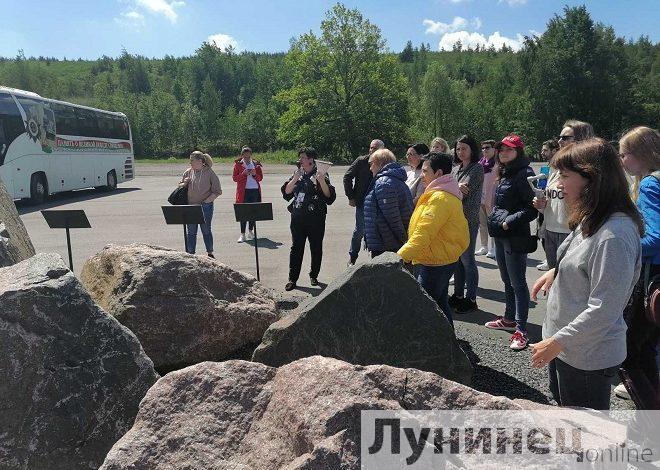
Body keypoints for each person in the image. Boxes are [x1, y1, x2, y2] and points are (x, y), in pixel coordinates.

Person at [530, 138, 644, 410]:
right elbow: (583, 255)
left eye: (565, 176)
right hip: (570, 349)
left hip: (586, 357)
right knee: (568, 420)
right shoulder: (596, 216)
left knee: (586, 436)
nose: (558, 184)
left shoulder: (614, 236)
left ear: (592, 179)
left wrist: (557, 342)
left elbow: (604, 309)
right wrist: (557, 271)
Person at [398, 152, 469, 326]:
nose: (421, 175)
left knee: (423, 307)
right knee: (440, 302)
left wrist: (400, 256)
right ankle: (450, 344)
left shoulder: (440, 198)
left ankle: (435, 347)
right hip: (438, 257)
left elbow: (424, 233)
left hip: (434, 262)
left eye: (425, 171)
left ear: (438, 173)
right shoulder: (440, 193)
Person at [616, 126, 660, 408]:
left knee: (629, 353)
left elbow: (655, 238)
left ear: (640, 154)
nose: (621, 161)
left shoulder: (649, 184)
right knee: (647, 349)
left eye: (624, 154)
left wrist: (621, 248)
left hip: (652, 277)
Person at [484, 134, 537, 350]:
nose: (503, 152)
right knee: (507, 279)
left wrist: (507, 222)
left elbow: (532, 209)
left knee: (518, 282)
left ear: (518, 152)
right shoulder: (506, 172)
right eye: (501, 149)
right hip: (501, 234)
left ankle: (521, 330)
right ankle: (508, 318)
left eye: (509, 149)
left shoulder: (525, 174)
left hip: (515, 235)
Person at [282, 147, 336, 291]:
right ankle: (292, 279)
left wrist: (321, 180)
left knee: (316, 247)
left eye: (303, 158)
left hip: (316, 218)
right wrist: (295, 178)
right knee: (296, 248)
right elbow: (287, 192)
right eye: (300, 157)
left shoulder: (321, 173)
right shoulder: (297, 174)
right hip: (298, 218)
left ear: (311, 160)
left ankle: (314, 275)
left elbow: (329, 196)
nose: (300, 160)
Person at [449, 135, 484, 313]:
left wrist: (453, 187)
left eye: (464, 148)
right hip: (455, 219)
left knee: (467, 259)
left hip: (468, 219)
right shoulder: (456, 168)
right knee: (457, 260)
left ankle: (471, 298)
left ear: (472, 150)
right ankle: (458, 295)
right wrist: (455, 186)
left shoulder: (476, 168)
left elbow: (465, 190)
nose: (460, 152)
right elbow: (455, 188)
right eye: (458, 148)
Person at [363, 149, 413, 258]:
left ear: (380, 163)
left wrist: (404, 240)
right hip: (387, 241)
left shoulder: (384, 183)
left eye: (371, 164)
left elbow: (392, 216)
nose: (370, 168)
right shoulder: (390, 180)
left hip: (387, 243)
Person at [343, 139, 384, 265]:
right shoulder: (361, 161)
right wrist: (351, 197)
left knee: (378, 231)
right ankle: (352, 257)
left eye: (375, 148)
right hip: (362, 203)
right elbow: (347, 177)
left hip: (380, 204)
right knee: (360, 230)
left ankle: (377, 260)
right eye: (371, 148)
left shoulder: (386, 162)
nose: (372, 150)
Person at [533, 139, 569, 272]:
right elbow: (551, 199)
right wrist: (540, 204)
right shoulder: (551, 170)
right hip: (550, 229)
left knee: (564, 276)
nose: (542, 153)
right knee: (552, 276)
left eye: (545, 150)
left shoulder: (575, 170)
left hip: (567, 231)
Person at [179, 151, 222, 258]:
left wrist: (207, 201)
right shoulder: (188, 172)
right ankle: (190, 254)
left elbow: (217, 191)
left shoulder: (210, 173)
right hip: (190, 207)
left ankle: (210, 253)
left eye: (191, 160)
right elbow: (179, 186)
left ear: (200, 161)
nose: (190, 163)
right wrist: (184, 183)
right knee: (191, 232)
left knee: (206, 230)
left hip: (205, 207)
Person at [232, 146, 263, 242]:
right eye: (245, 156)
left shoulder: (256, 164)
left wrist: (254, 174)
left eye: (248, 156)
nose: (247, 158)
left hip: (254, 190)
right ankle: (242, 234)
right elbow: (234, 178)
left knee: (253, 212)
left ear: (250, 155)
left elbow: (260, 178)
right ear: (242, 155)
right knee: (243, 212)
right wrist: (243, 174)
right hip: (243, 192)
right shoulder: (238, 165)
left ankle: (250, 231)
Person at [476, 139, 498, 258]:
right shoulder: (480, 163)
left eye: (487, 147)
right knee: (482, 223)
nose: (485, 150)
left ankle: (494, 247)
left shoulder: (497, 163)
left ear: (494, 149)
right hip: (481, 197)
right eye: (483, 148)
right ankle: (484, 246)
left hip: (492, 197)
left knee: (493, 223)